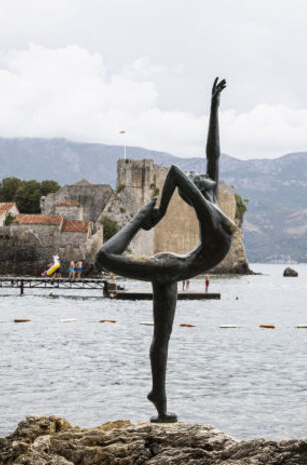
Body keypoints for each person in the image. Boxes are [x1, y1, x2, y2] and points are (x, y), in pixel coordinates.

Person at [97, 77, 235, 423]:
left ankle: (159, 399)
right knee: (104, 257)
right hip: (171, 268)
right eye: (197, 178)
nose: (199, 175)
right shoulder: (208, 212)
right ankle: (139, 216)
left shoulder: (212, 201)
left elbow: (212, 154)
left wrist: (214, 107)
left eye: (199, 176)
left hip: (176, 268)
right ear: (194, 193)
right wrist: (154, 213)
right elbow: (175, 171)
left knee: (163, 338)